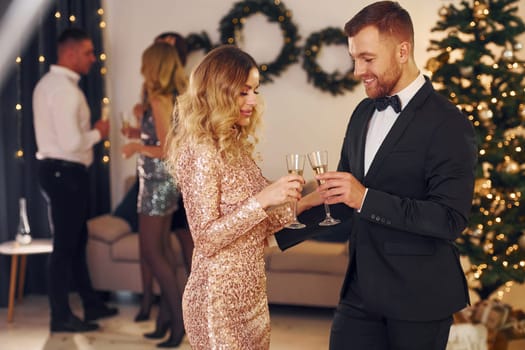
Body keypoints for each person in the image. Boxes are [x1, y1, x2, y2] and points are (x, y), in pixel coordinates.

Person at [276, 2, 478, 349]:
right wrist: (279, 222)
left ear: (403, 51)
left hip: (419, 299)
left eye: (367, 59)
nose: (358, 71)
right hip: (360, 292)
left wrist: (365, 198)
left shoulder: (450, 123)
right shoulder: (362, 112)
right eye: (354, 58)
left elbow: (450, 219)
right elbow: (342, 196)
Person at [166, 45, 304, 349]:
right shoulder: (201, 151)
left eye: (254, 90)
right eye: (243, 92)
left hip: (252, 299)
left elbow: (263, 224)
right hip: (218, 304)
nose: (253, 101)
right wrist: (264, 197)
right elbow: (206, 238)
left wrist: (317, 198)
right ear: (218, 93)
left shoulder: (234, 146)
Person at [33, 27, 118, 333]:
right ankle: (60, 316)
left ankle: (90, 303)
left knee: (76, 241)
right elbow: (71, 143)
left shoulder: (49, 84)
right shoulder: (65, 90)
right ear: (69, 54)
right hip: (65, 172)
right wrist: (99, 132)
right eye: (88, 52)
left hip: (58, 172)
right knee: (65, 246)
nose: (93, 59)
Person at [121, 31, 194, 325]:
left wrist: (136, 146)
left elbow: (166, 149)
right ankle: (168, 320)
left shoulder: (159, 98)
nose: (142, 70)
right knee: (161, 251)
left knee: (153, 254)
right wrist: (140, 134)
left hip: (157, 184)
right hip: (160, 183)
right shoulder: (167, 97)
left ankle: (178, 321)